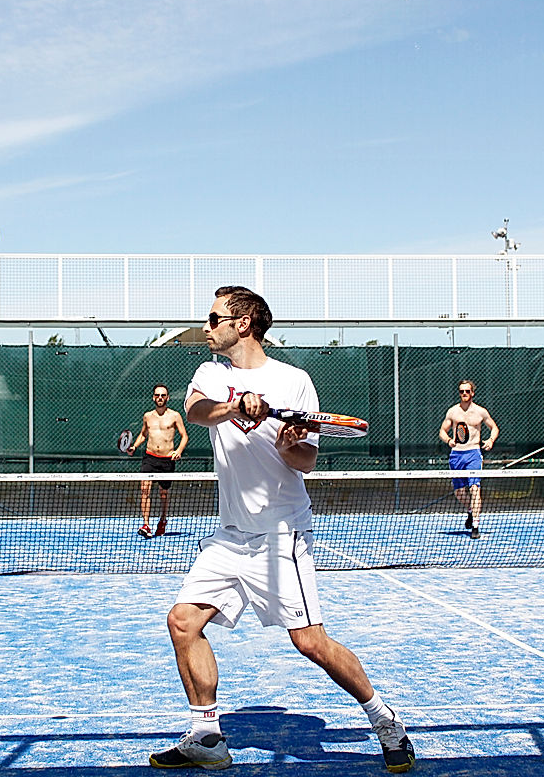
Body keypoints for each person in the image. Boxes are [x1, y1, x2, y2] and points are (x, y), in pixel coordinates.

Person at [149, 286, 415, 773]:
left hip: (280, 534)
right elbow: (197, 411)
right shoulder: (211, 373)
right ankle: (207, 736)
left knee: (310, 641)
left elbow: (306, 460)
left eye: (214, 318)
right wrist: (235, 406)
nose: (207, 327)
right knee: (182, 621)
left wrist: (289, 443)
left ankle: (384, 718)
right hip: (230, 534)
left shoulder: (294, 382)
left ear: (244, 322)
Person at [438, 379, 499, 540]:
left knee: (475, 489)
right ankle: (471, 512)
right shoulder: (453, 412)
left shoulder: (481, 412)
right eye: (461, 391)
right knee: (459, 493)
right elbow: (443, 431)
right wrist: (449, 441)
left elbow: (494, 427)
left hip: (473, 453)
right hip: (456, 454)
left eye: (467, 391)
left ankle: (476, 526)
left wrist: (491, 440)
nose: (464, 394)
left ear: (472, 393)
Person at [127, 383, 189, 538]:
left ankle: (162, 520)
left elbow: (184, 436)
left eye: (163, 395)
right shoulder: (148, 416)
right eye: (157, 395)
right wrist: (134, 446)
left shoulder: (175, 416)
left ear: (167, 397)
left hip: (167, 460)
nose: (160, 398)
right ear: (153, 397)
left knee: (163, 494)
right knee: (144, 490)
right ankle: (146, 525)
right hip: (150, 458)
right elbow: (143, 434)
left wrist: (178, 451)